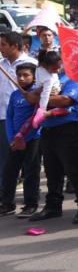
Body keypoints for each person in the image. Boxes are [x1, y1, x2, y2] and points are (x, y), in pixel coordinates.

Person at [28, 51, 78, 224]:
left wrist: (43, 98)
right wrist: (42, 95)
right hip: (48, 129)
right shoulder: (46, 77)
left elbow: (65, 100)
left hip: (68, 128)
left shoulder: (76, 79)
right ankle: (53, 206)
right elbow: (30, 97)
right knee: (52, 170)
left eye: (61, 61)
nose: (58, 65)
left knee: (75, 170)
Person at [0, 63, 42, 217]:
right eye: (19, 75)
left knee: (31, 171)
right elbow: (9, 117)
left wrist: (25, 137)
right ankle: (7, 204)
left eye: (26, 75)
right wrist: (12, 138)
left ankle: (31, 204)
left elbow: (37, 119)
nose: (22, 78)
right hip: (15, 141)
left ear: (34, 77)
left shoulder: (38, 94)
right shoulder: (15, 94)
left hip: (33, 139)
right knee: (9, 171)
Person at [0, 32, 36, 197]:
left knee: (29, 164)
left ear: (15, 46)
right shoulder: (2, 64)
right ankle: (6, 198)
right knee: (7, 161)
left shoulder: (31, 64)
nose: (0, 49)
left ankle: (30, 200)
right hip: (4, 118)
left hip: (26, 122)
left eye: (3, 45)